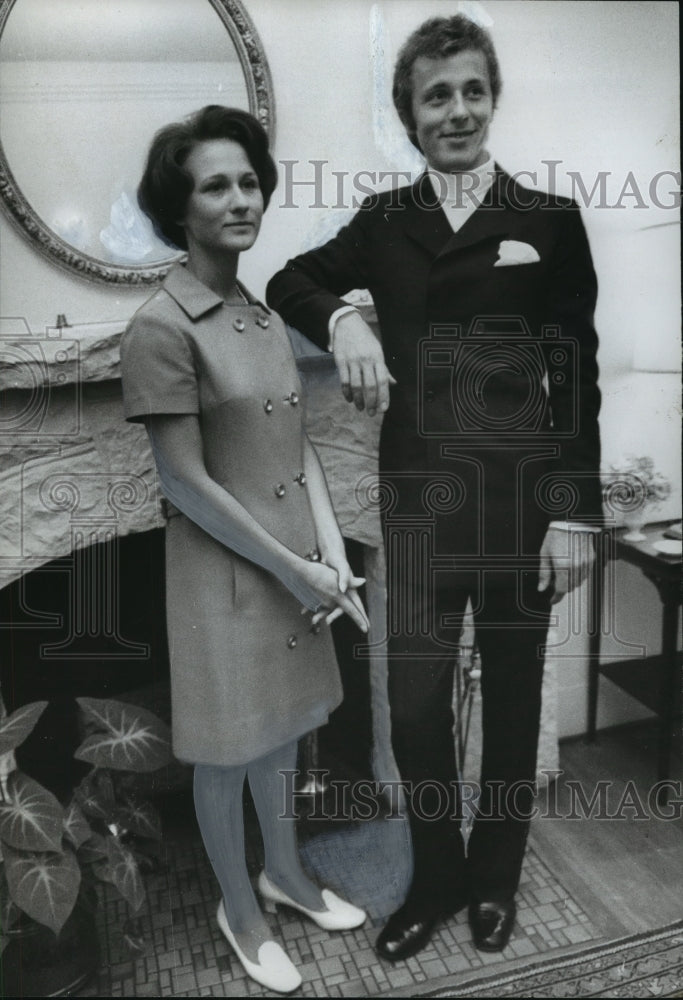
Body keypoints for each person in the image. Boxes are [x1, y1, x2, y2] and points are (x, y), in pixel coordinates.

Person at [267, 15, 602, 960]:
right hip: (417, 508)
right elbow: (287, 278)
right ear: (408, 116)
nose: (455, 111)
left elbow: (576, 373)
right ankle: (438, 878)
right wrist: (343, 319)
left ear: (491, 99)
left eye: (470, 91)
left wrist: (575, 511)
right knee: (410, 710)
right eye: (434, 96)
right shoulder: (383, 225)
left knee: (511, 704)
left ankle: (494, 880)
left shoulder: (545, 222)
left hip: (520, 508)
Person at [119, 105, 369, 995]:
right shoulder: (162, 326)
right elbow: (184, 483)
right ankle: (242, 907)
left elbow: (298, 445)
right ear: (178, 208)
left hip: (293, 564)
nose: (240, 198)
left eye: (249, 181)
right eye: (215, 185)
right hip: (224, 577)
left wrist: (333, 551)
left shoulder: (261, 321)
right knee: (227, 754)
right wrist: (294, 565)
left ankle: (287, 874)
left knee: (283, 735)